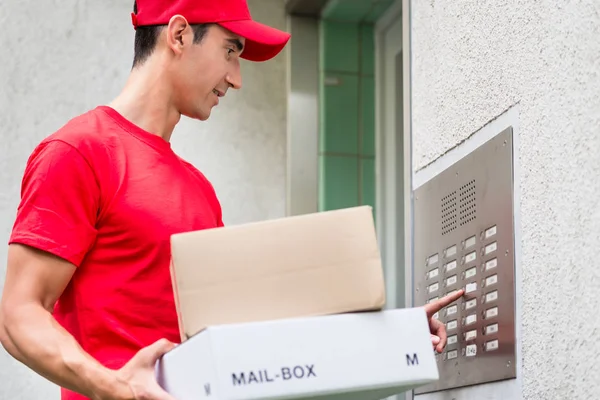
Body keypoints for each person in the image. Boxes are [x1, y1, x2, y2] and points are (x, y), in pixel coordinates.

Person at [0, 0, 463, 399]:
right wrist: (115, 387)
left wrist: (388, 337)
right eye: (230, 51)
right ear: (179, 34)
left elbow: (235, 332)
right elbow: (19, 316)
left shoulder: (198, 188)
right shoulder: (79, 152)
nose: (236, 79)